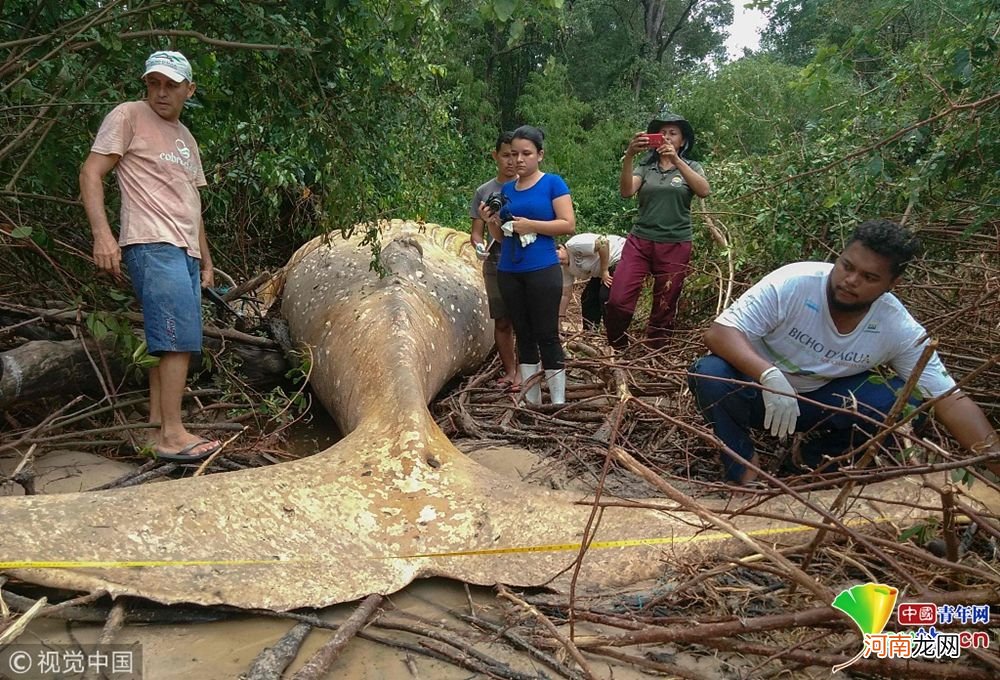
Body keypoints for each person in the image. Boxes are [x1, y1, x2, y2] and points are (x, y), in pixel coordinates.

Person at [687, 219, 1000, 484]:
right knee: (710, 373)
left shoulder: (896, 326)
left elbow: (949, 400)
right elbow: (719, 333)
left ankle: (813, 462)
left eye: (869, 277)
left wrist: (995, 462)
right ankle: (743, 467)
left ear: (892, 284)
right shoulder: (794, 284)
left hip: (822, 403)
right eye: (847, 266)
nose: (851, 281)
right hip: (758, 393)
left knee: (910, 403)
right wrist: (768, 374)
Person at [80, 50, 221, 463]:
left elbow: (191, 202)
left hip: (184, 249)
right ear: (146, 85)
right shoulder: (128, 115)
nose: (161, 92)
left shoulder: (186, 139)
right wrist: (102, 234)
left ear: (188, 90)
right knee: (178, 341)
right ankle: (173, 436)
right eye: (154, 83)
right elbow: (91, 172)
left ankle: (158, 423)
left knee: (168, 339)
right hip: (150, 242)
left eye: (171, 85)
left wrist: (206, 260)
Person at [480, 125, 576, 405]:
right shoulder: (507, 189)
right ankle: (532, 399)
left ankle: (558, 400)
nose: (519, 159)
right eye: (513, 154)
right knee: (523, 334)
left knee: (547, 333)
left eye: (526, 153)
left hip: (542, 267)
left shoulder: (553, 183)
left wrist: (530, 225)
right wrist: (492, 222)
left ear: (540, 155)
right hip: (509, 269)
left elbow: (567, 224)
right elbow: (500, 236)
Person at [606, 111, 711, 350]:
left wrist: (676, 161)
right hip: (640, 242)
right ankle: (617, 348)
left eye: (673, 133)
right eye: (662, 132)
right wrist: (630, 155)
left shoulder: (692, 166)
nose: (666, 137)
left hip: (675, 244)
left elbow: (704, 190)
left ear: (682, 141)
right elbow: (626, 192)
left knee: (664, 306)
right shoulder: (646, 167)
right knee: (617, 300)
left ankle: (655, 356)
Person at [470, 132, 519, 391]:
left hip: (525, 254)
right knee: (502, 319)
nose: (511, 161)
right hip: (497, 256)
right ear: (495, 156)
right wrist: (479, 246)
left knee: (526, 318)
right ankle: (510, 371)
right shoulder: (484, 191)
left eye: (516, 155)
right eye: (506, 155)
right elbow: (477, 232)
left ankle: (527, 370)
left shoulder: (529, 185)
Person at [557, 233, 626, 331]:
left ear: (561, 247)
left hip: (619, 256)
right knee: (588, 298)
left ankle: (614, 333)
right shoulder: (564, 268)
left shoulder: (574, 245)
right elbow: (565, 294)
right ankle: (591, 332)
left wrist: (604, 270)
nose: (559, 260)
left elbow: (603, 242)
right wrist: (560, 319)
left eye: (557, 255)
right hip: (601, 271)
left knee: (606, 295)